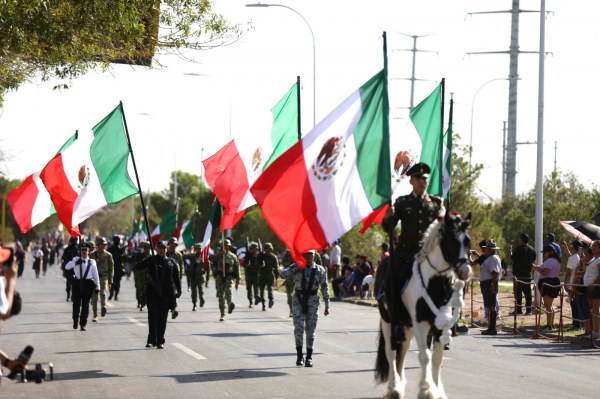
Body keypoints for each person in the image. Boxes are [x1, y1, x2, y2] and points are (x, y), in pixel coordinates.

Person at [382, 162, 444, 333]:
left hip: (429, 254)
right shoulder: (402, 203)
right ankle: (395, 319)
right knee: (392, 277)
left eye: (425, 178)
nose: (422, 181)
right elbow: (389, 228)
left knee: (449, 278)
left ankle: (449, 320)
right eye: (418, 178)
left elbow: (443, 230)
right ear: (411, 181)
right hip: (406, 252)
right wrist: (388, 218)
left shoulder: (436, 203)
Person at [280, 250, 330, 367]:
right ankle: (299, 356)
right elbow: (282, 275)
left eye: (310, 254)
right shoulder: (296, 266)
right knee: (299, 327)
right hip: (298, 299)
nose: (308, 257)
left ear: (314, 256)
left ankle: (309, 357)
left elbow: (324, 287)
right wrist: (296, 266)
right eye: (305, 254)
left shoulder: (320, 270)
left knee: (310, 330)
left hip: (313, 300)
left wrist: (327, 305)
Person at [135, 240, 181, 349]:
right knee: (153, 317)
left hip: (166, 294)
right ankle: (151, 340)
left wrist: (179, 290)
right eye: (160, 248)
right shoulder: (152, 260)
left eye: (164, 248)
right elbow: (138, 267)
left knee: (162, 319)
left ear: (166, 249)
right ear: (156, 249)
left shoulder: (171, 262)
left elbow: (176, 278)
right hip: (152, 293)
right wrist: (147, 260)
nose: (162, 250)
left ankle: (160, 341)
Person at [65, 242, 101, 331]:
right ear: (80, 251)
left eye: (85, 250)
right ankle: (75, 321)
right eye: (82, 250)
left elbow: (95, 275)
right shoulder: (76, 259)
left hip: (88, 285)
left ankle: (83, 324)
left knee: (85, 305)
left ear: (88, 251)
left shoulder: (92, 262)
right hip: (77, 284)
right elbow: (67, 267)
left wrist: (97, 287)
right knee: (76, 304)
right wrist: (76, 263)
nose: (84, 251)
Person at [210, 239, 240, 321]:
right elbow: (211, 258)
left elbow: (237, 269)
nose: (226, 247)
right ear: (222, 246)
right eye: (224, 245)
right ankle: (222, 314)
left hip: (229, 277)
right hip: (220, 277)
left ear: (229, 246)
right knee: (221, 296)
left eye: (227, 245)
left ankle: (230, 304)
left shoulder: (233, 256)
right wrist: (220, 255)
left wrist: (237, 280)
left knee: (229, 290)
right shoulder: (219, 254)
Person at [534, 245, 562, 331]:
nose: (544, 254)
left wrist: (537, 268)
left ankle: (549, 325)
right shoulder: (555, 261)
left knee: (547, 306)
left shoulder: (550, 261)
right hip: (551, 282)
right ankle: (551, 324)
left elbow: (545, 272)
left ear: (549, 252)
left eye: (545, 252)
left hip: (548, 284)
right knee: (549, 305)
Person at [509, 233, 536, 315]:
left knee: (518, 293)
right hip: (528, 275)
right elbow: (534, 262)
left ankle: (518, 309)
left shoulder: (518, 249)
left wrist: (510, 250)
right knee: (528, 293)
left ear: (521, 240)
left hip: (518, 275)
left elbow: (513, 258)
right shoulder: (532, 250)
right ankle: (529, 310)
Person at [479, 239, 502, 335]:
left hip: (490, 283)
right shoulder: (489, 258)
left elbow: (495, 273)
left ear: (489, 249)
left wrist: (492, 284)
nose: (486, 250)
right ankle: (490, 327)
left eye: (487, 248)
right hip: (487, 283)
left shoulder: (492, 258)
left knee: (492, 306)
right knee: (489, 306)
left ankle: (492, 328)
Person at [90, 236, 114, 321]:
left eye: (104, 244)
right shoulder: (92, 254)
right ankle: (95, 315)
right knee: (94, 296)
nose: (102, 246)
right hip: (93, 278)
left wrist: (110, 281)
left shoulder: (108, 255)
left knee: (103, 292)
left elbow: (111, 269)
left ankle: (103, 306)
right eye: (101, 244)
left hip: (104, 277)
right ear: (97, 245)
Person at [563, 239, 583, 329]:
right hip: (579, 284)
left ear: (574, 247)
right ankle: (579, 323)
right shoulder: (581, 257)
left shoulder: (572, 258)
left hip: (572, 284)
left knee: (573, 304)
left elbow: (568, 273)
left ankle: (576, 324)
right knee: (578, 304)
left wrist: (565, 284)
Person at [582, 240, 600, 337]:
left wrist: (594, 284)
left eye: (595, 246)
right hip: (588, 286)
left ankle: (596, 332)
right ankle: (593, 331)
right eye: (592, 246)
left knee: (596, 310)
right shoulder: (593, 259)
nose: (593, 248)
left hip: (595, 287)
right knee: (592, 310)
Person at [184, 243, 209, 311]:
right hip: (193, 277)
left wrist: (207, 280)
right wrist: (190, 254)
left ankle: (201, 299)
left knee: (201, 289)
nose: (199, 250)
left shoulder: (204, 257)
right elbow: (184, 256)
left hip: (201, 276)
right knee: (194, 292)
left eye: (200, 249)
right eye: (197, 249)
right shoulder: (192, 256)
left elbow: (208, 269)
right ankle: (194, 304)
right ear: (195, 250)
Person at [258, 242, 279, 311]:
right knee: (261, 290)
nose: (269, 250)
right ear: (265, 249)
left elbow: (276, 268)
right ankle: (263, 304)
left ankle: (271, 299)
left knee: (270, 288)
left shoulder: (273, 257)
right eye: (267, 249)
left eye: (270, 249)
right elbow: (256, 264)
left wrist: (277, 277)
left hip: (269, 274)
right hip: (262, 274)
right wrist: (260, 264)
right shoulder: (261, 256)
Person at [133, 241, 152, 311]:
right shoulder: (139, 256)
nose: (148, 249)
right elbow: (135, 265)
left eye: (149, 248)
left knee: (146, 291)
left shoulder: (151, 256)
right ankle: (139, 302)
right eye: (146, 248)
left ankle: (143, 303)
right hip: (140, 276)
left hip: (148, 276)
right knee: (139, 290)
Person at [244, 242, 262, 308]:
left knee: (256, 287)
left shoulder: (259, 256)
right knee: (249, 289)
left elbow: (261, 263)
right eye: (252, 248)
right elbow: (244, 264)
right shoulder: (247, 256)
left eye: (255, 249)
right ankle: (250, 301)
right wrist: (246, 265)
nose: (254, 250)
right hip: (249, 275)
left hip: (256, 274)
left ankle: (257, 297)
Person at [61, 237, 79, 302]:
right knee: (69, 283)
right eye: (74, 240)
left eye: (76, 240)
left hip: (76, 268)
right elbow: (64, 258)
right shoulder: (68, 249)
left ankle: (72, 296)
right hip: (69, 268)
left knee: (74, 283)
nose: (75, 241)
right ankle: (68, 295)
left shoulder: (78, 249)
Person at [108, 235, 125, 301]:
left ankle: (116, 294)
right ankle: (111, 293)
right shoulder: (110, 249)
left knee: (117, 283)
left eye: (118, 240)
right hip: (112, 267)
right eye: (116, 240)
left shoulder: (120, 249)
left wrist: (122, 253)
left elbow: (123, 258)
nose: (117, 242)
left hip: (118, 268)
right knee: (112, 282)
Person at [281, 249, 295, 317]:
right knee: (290, 295)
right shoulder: (288, 253)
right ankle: (292, 310)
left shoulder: (301, 251)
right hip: (289, 277)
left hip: (299, 277)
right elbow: (283, 263)